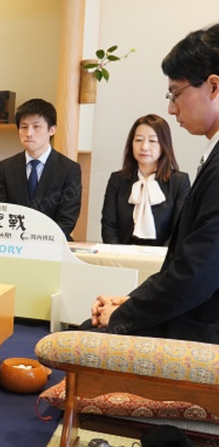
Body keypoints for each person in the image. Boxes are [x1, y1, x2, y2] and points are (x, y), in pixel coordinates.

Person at [90, 23, 219, 343]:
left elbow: (196, 273)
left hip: (204, 326)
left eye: (176, 93)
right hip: (191, 309)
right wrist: (131, 303)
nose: (171, 108)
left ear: (213, 86)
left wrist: (125, 314)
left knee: (86, 336)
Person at [0, 99, 82, 241]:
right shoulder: (6, 167)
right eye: (24, 127)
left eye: (36, 126)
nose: (29, 133)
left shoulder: (69, 169)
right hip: (13, 243)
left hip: (53, 243)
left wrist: (37, 240)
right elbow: (0, 211)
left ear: (52, 130)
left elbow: (67, 219)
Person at [101, 114, 191, 246]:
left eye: (153, 141)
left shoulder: (179, 181)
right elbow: (109, 227)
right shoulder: (117, 180)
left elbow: (179, 230)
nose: (144, 147)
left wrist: (162, 256)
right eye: (138, 140)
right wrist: (118, 254)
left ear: (164, 144)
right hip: (122, 254)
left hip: (163, 255)